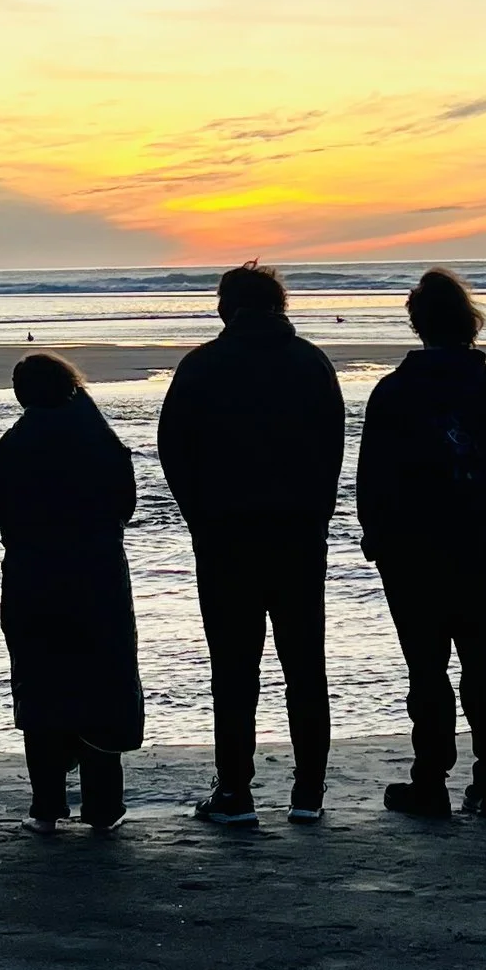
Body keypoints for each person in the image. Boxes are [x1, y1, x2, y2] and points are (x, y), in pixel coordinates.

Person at [156, 262, 346, 827]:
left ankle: (236, 791)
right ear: (278, 306)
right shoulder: (311, 362)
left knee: (234, 670)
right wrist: (317, 512)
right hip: (297, 534)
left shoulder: (202, 365)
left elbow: (173, 448)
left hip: (225, 536)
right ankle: (308, 792)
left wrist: (198, 515)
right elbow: (332, 447)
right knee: (305, 666)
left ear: (226, 308)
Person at [355, 266, 486, 819]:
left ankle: (430, 781)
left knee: (427, 672)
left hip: (412, 554)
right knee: (485, 670)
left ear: (418, 324)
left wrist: (378, 540)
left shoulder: (394, 391)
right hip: (479, 549)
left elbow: (372, 479)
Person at [0, 353, 144, 831]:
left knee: (40, 684)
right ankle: (103, 805)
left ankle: (47, 805)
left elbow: (3, 516)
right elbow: (126, 506)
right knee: (103, 685)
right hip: (97, 575)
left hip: (32, 576)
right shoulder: (100, 440)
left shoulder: (9, 448)